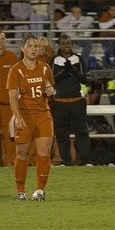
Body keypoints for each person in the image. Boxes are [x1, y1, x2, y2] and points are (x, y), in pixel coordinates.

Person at [7, 35, 55, 201]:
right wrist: (18, 117)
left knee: (44, 152)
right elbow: (13, 97)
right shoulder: (16, 70)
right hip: (25, 115)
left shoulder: (45, 68)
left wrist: (51, 91)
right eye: (30, 46)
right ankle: (20, 191)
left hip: (43, 115)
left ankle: (40, 190)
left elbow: (50, 89)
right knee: (22, 153)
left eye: (36, 46)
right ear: (23, 48)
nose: (34, 49)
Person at [50, 34, 90, 166]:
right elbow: (51, 80)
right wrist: (63, 72)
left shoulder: (78, 59)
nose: (66, 45)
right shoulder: (54, 60)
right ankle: (66, 161)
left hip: (77, 100)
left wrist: (71, 69)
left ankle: (84, 160)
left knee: (82, 132)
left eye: (68, 43)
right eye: (63, 43)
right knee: (62, 133)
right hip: (60, 102)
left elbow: (84, 79)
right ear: (59, 46)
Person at [0, 31, 17, 167]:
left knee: (10, 135)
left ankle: (10, 162)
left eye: (2, 39)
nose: (0, 41)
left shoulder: (12, 57)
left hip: (8, 104)